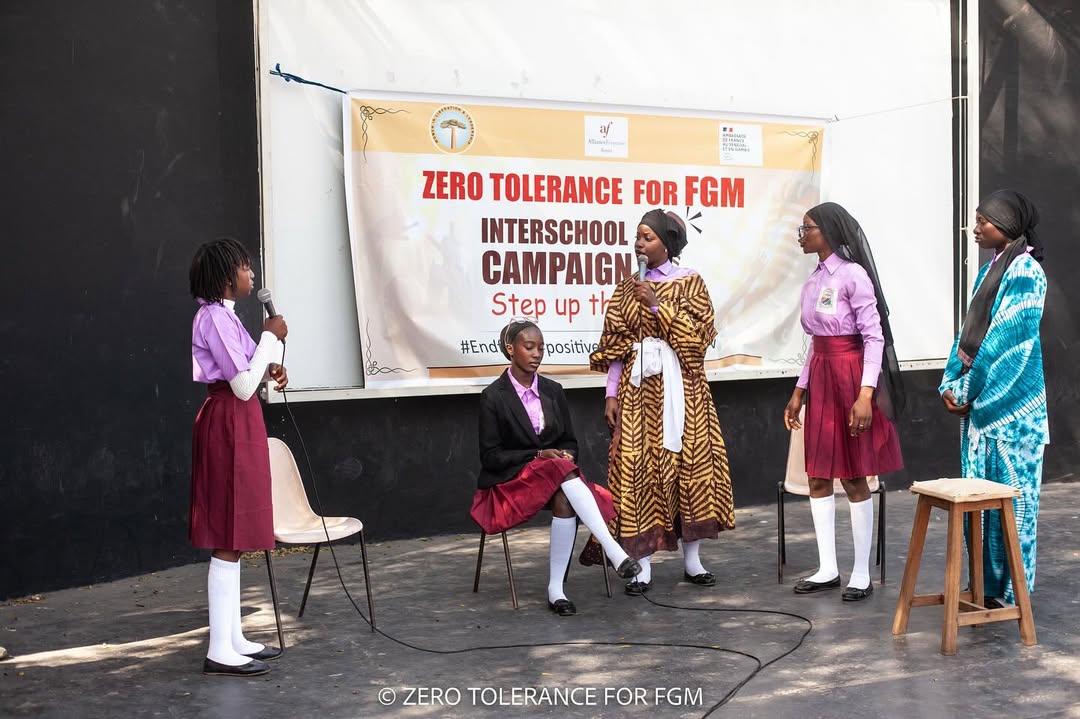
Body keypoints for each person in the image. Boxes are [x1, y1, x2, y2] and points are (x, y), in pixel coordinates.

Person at [583, 209, 735, 595]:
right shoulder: (626, 288)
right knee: (638, 471)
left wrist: (656, 305)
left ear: (667, 244)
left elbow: (697, 341)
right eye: (637, 236)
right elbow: (617, 345)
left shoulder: (690, 282)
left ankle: (693, 561)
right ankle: (644, 564)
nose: (639, 243)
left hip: (684, 391)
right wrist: (611, 393)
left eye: (647, 237)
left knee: (689, 468)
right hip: (638, 394)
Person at [471, 320, 641, 616]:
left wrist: (566, 454)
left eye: (541, 347)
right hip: (512, 483)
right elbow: (491, 457)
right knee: (557, 467)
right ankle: (614, 551)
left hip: (555, 481)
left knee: (564, 494)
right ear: (511, 349)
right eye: (529, 347)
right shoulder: (493, 396)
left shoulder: (553, 391)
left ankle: (556, 591)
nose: (537, 353)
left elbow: (569, 441)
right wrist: (538, 454)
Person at [783, 202, 904, 602]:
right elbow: (816, 343)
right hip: (821, 377)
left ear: (829, 232)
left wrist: (866, 393)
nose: (802, 236)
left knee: (853, 476)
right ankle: (827, 568)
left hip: (851, 378)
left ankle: (861, 573)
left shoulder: (853, 276)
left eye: (808, 228)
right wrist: (799, 391)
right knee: (818, 475)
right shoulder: (814, 280)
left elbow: (874, 337)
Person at [939, 190, 1048, 608]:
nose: (976, 228)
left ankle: (1011, 593)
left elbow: (1004, 345)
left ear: (1006, 223)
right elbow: (967, 334)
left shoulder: (1026, 273)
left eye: (983, 220)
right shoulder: (990, 271)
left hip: (1013, 417)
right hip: (980, 414)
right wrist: (948, 383)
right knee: (980, 511)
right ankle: (984, 587)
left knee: (1013, 510)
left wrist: (964, 390)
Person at [189, 238, 289, 676]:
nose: (252, 275)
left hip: (241, 421)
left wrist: (272, 363)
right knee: (227, 534)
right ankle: (219, 649)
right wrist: (269, 337)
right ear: (227, 276)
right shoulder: (213, 318)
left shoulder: (227, 317)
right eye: (245, 268)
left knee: (237, 533)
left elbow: (253, 373)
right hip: (228, 423)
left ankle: (232, 638)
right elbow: (242, 386)